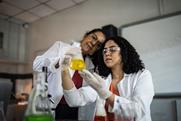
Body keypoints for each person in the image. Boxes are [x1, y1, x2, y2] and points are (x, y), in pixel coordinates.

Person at [73, 36, 154, 121]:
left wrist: (105, 93)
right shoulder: (102, 78)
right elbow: (76, 100)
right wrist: (65, 72)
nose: (107, 53)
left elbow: (139, 111)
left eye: (112, 49)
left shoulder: (143, 75)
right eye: (104, 51)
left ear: (124, 51)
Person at [33, 28, 106, 120]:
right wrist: (59, 61)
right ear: (85, 36)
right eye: (93, 37)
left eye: (98, 44)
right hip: (52, 106)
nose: (93, 43)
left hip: (75, 111)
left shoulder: (91, 67)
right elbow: (37, 64)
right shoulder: (61, 47)